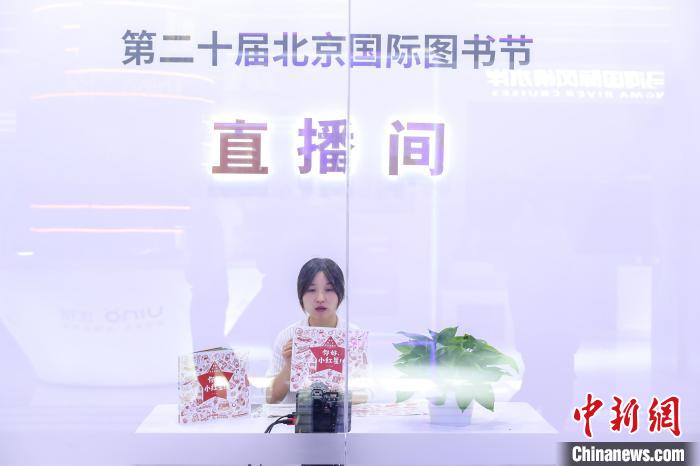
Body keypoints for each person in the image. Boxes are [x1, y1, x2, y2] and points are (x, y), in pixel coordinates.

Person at [266, 257, 365, 404]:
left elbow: (365, 394)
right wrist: (289, 366)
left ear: (340, 294)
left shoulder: (352, 336)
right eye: (311, 290)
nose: (320, 298)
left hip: (338, 418)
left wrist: (332, 397)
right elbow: (270, 398)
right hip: (297, 418)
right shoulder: (288, 336)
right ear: (301, 295)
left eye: (329, 289)